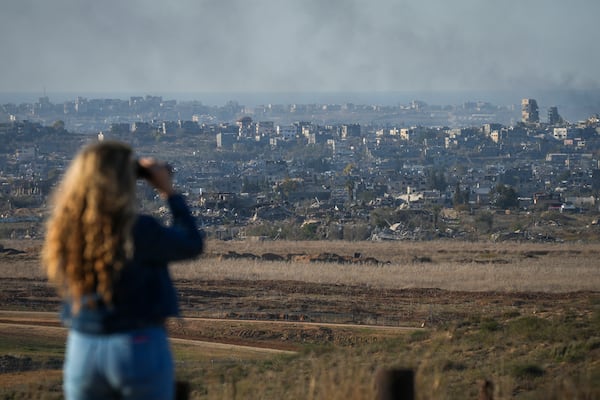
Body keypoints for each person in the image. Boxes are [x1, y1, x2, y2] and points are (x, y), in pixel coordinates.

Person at [42, 140, 204, 400]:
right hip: (137, 345)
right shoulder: (139, 231)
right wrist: (169, 192)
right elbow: (192, 244)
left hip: (83, 348)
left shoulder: (65, 230)